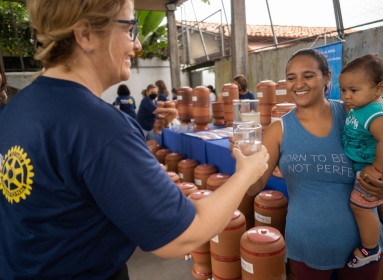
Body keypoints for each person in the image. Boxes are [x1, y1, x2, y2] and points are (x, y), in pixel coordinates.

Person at [0, 0, 269, 279]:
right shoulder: (98, 127)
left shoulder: (18, 108)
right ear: (86, 34)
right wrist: (245, 175)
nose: (138, 44)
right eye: (130, 28)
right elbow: (183, 235)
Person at [242, 48, 383, 280]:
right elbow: (253, 187)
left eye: (308, 75)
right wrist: (244, 166)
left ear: (327, 78)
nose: (299, 84)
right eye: (291, 78)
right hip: (306, 245)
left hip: (361, 246)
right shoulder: (279, 130)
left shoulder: (354, 114)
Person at [339, 54, 383, 268]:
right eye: (343, 90)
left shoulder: (374, 113)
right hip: (380, 164)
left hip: (380, 164)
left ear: (379, 88)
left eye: (353, 91)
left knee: (360, 205)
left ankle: (370, 249)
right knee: (380, 196)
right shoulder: (364, 106)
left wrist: (377, 169)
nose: (347, 96)